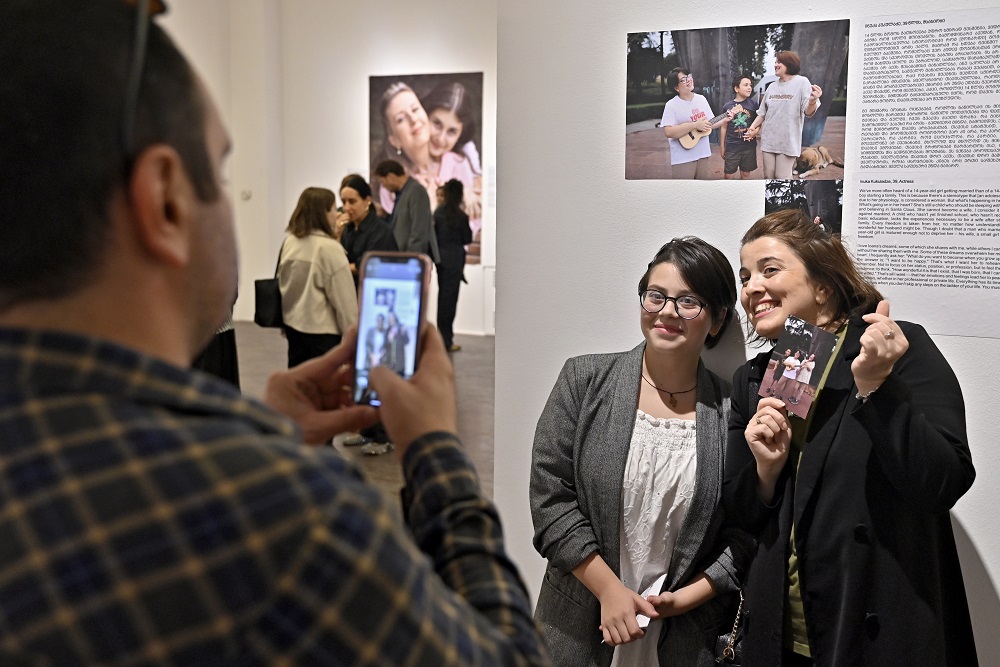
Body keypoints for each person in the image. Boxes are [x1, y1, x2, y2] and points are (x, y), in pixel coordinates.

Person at [0, 3, 549, 665]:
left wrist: (260, 431)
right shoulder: (281, 519)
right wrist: (436, 451)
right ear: (166, 199)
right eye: (224, 173)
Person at [725, 209, 977, 665]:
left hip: (877, 632)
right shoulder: (755, 378)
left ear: (822, 285)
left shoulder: (898, 347)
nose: (751, 288)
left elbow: (944, 483)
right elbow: (740, 514)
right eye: (745, 276)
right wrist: (765, 469)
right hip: (782, 637)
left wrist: (878, 389)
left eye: (769, 270)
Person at [531, 237, 753, 666]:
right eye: (656, 296)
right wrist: (609, 590)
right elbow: (549, 499)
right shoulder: (584, 379)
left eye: (689, 301)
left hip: (685, 637)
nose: (667, 312)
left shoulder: (731, 411)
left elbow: (744, 533)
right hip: (579, 622)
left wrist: (686, 599)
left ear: (717, 318)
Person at [279, 187, 358, 367]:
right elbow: (345, 302)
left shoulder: (290, 242)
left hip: (294, 327)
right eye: (333, 208)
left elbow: (284, 284)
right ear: (323, 212)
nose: (337, 213)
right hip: (323, 334)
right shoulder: (329, 249)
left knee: (299, 382)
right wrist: (354, 339)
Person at [743, 51, 823, 179]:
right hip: (769, 140)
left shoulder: (802, 82)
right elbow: (762, 113)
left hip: (788, 141)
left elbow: (808, 112)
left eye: (779, 62)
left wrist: (812, 101)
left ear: (789, 63)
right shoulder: (772, 87)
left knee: (782, 177)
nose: (775, 64)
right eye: (775, 62)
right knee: (768, 176)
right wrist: (751, 128)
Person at [422, 81, 483, 238]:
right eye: (436, 123)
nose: (440, 138)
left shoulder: (460, 163)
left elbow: (473, 223)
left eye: (452, 131)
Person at [660, 68, 730, 180]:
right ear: (676, 88)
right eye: (683, 79)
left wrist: (724, 120)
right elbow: (668, 132)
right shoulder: (671, 105)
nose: (688, 80)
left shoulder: (701, 99)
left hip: (703, 154)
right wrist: (694, 125)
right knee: (683, 193)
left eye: (689, 76)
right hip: (683, 158)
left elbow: (709, 123)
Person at [375, 159, 440, 263]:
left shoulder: (416, 191)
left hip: (410, 259)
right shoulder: (401, 193)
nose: (385, 187)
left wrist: (410, 258)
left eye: (383, 182)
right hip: (402, 256)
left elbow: (419, 229)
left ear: (391, 176)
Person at [338, 173, 397, 286]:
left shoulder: (380, 230)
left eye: (352, 201)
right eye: (343, 202)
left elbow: (367, 265)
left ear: (367, 200)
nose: (346, 208)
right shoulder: (347, 228)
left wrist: (339, 268)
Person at [434, 178, 473, 352]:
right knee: (449, 301)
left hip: (441, 261)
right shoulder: (461, 215)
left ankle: (442, 339)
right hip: (455, 261)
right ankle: (446, 341)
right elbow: (468, 238)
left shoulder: (438, 213)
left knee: (443, 300)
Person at [719, 75, 759, 180]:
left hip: (749, 148)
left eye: (750, 85)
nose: (749, 87)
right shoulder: (727, 106)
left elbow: (759, 123)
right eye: (746, 85)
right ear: (736, 88)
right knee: (728, 176)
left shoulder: (754, 105)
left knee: (746, 175)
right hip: (732, 147)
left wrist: (756, 132)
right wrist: (722, 148)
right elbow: (723, 127)